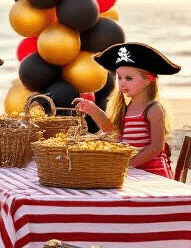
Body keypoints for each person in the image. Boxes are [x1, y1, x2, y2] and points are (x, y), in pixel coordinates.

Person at [73, 43, 180, 178]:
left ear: (148, 79)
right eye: (119, 77)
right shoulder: (128, 107)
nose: (122, 83)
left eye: (129, 78)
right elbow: (111, 130)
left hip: (153, 173)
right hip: (133, 171)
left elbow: (155, 148)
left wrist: (129, 163)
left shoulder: (154, 109)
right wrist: (93, 110)